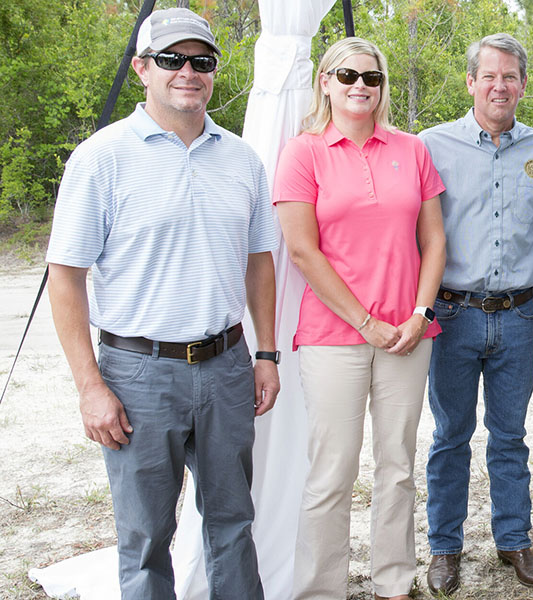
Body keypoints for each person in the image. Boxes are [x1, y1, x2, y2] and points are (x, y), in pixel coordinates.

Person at [45, 7, 279, 598]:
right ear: (143, 68)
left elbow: (259, 261)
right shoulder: (101, 157)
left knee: (233, 524)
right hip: (138, 374)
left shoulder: (242, 159)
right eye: (172, 59)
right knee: (146, 537)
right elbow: (65, 276)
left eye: (201, 61)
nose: (188, 72)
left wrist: (267, 352)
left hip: (227, 366)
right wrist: (90, 386)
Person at [274, 37, 446, 600]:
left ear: (382, 86)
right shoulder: (304, 152)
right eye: (347, 75)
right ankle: (321, 590)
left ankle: (394, 581)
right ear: (325, 80)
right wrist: (364, 321)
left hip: (408, 334)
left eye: (371, 78)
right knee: (332, 473)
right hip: (333, 337)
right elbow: (302, 250)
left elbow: (434, 240)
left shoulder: (412, 148)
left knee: (397, 465)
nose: (359, 87)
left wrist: (419, 313)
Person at [417, 33, 533, 594]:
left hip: (514, 316)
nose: (499, 86)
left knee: (510, 436)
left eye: (510, 76)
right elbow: (414, 234)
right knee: (450, 436)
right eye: (489, 75)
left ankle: (514, 540)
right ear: (471, 82)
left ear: (523, 84)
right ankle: (444, 547)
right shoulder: (431, 147)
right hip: (452, 316)